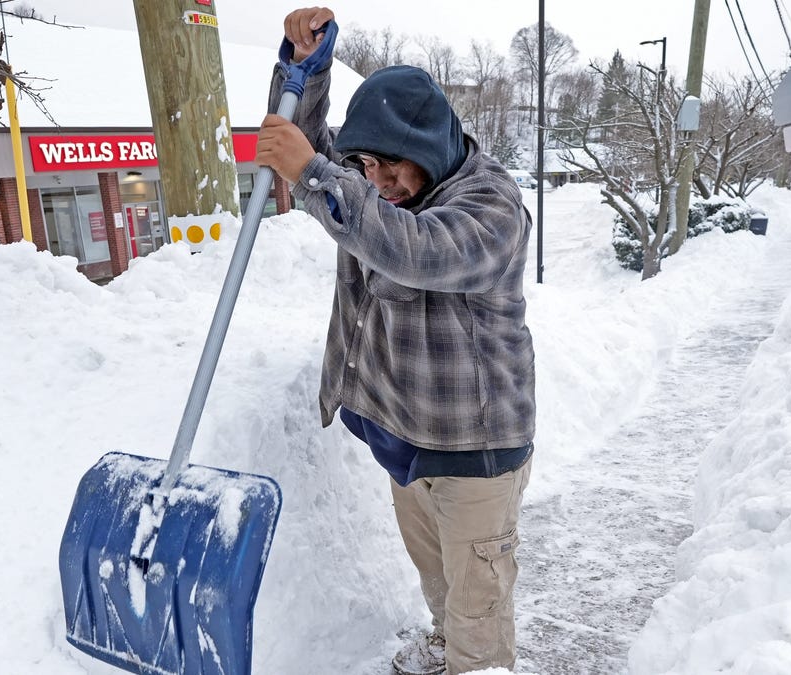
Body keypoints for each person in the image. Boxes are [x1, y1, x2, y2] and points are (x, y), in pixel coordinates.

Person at [256, 7, 536, 674]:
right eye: (365, 165)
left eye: (388, 167)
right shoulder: (378, 183)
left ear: (429, 147)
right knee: (440, 580)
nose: (375, 181)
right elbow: (308, 146)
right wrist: (305, 68)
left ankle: (476, 663)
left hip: (476, 449)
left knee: (480, 609)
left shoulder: (491, 206)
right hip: (408, 437)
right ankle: (445, 645)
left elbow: (413, 252)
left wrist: (320, 176)